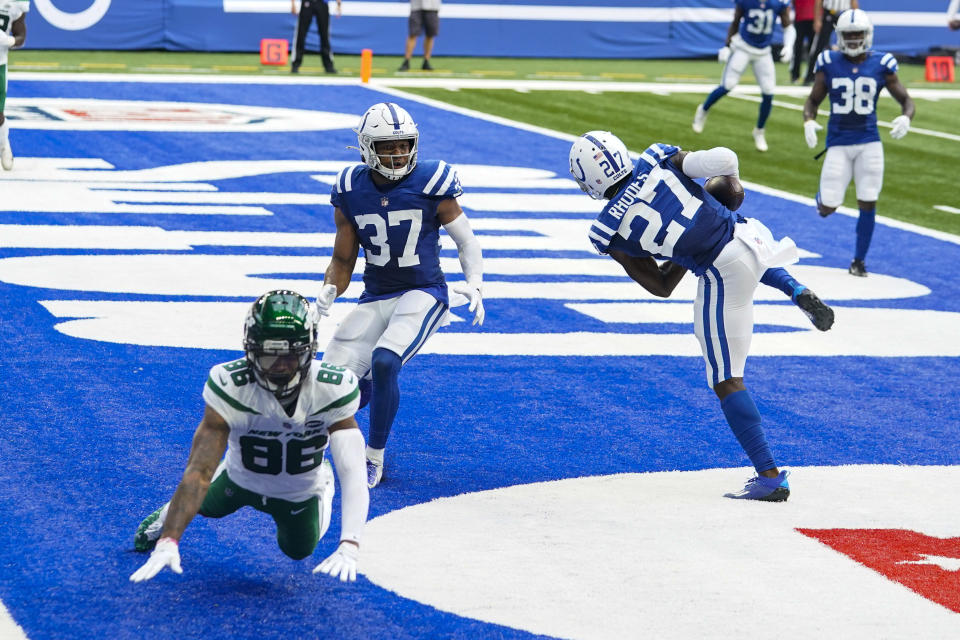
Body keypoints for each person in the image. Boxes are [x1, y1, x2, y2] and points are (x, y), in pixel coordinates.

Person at [569, 131, 836, 501]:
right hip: (747, 236)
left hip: (718, 273)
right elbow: (724, 157)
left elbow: (661, 286)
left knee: (727, 380)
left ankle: (770, 475)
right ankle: (795, 289)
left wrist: (685, 253)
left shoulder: (605, 231)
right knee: (745, 246)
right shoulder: (656, 159)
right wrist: (723, 190)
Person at [130, 290, 369, 583]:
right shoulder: (230, 385)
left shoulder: (332, 388)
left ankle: (323, 477)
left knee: (297, 551)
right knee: (205, 504)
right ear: (251, 350)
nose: (280, 366)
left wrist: (350, 543)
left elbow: (354, 472)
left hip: (298, 489)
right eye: (270, 355)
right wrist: (170, 538)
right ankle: (166, 515)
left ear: (309, 349)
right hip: (240, 476)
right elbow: (199, 471)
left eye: (290, 355)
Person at [316, 102, 484, 489]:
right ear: (365, 147)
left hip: (424, 291)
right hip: (376, 295)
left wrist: (474, 281)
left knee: (386, 360)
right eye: (387, 146)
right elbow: (343, 258)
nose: (397, 153)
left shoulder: (432, 182)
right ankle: (320, 435)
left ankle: (373, 456)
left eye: (403, 144)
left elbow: (466, 240)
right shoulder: (351, 189)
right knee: (331, 384)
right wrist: (328, 290)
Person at [802, 9, 915, 277]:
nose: (853, 40)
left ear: (867, 35)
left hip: (869, 142)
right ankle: (823, 197)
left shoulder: (882, 63)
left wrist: (906, 117)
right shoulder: (828, 61)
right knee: (827, 208)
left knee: (868, 199)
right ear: (839, 36)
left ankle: (859, 261)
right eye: (848, 35)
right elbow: (813, 100)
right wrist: (808, 119)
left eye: (857, 35)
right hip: (839, 142)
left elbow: (907, 101)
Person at [692, 0, 796, 152]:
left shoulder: (778, 3)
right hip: (743, 47)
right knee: (728, 85)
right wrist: (727, 46)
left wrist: (789, 46)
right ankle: (703, 109)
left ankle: (759, 131)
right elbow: (735, 22)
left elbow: (788, 27)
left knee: (768, 92)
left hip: (763, 52)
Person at [0, 0, 28, 171]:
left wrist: (9, 41)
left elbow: (21, 36)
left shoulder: (16, 3)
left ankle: (3, 143)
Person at [803, 0, 858, 85]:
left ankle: (852, 73)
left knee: (849, 45)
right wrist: (817, 20)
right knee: (819, 46)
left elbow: (853, 1)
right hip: (829, 13)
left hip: (845, 14)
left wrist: (855, 19)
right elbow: (818, 2)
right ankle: (810, 76)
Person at [290, 0, 340, 74]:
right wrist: (293, 4)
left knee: (325, 35)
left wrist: (339, 3)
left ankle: (328, 65)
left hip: (322, 3)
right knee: (300, 34)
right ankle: (295, 64)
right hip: (307, 2)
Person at [397, 0, 440, 71]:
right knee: (413, 34)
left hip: (432, 6)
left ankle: (426, 61)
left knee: (430, 35)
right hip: (416, 6)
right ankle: (406, 61)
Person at [790, 0, 816, 84]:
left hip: (813, 19)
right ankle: (795, 75)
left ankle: (811, 74)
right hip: (800, 18)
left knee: (812, 50)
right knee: (798, 49)